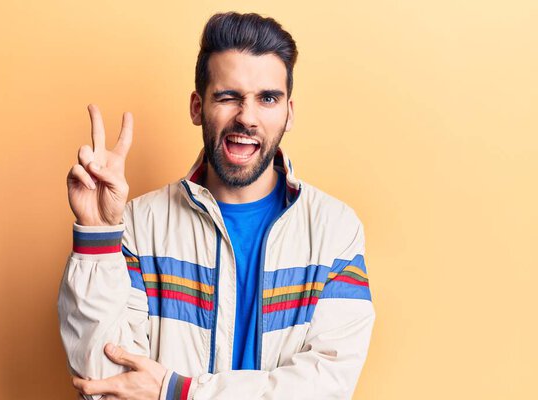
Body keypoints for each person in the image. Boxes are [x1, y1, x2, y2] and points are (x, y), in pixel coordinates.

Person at [59, 11, 375, 400]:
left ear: (288, 113)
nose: (247, 117)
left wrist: (181, 392)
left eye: (268, 99)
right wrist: (98, 232)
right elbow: (103, 384)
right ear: (197, 107)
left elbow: (327, 386)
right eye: (228, 97)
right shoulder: (137, 226)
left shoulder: (334, 229)